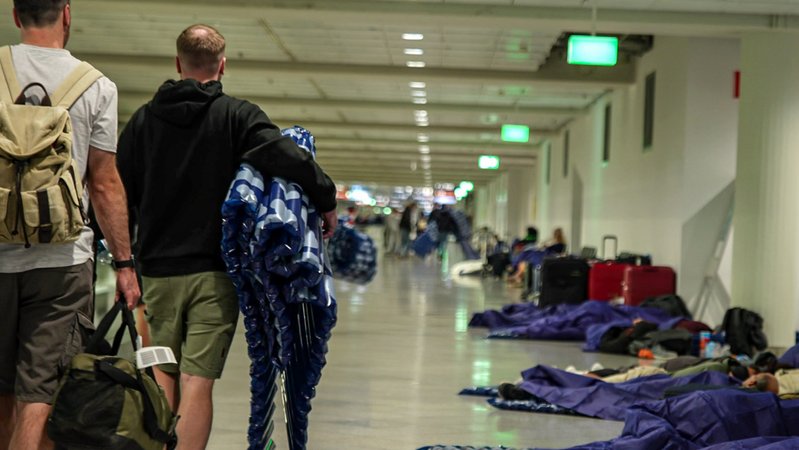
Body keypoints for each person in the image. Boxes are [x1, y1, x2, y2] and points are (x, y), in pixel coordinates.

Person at [116, 24, 338, 450]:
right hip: (214, 274)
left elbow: (118, 193)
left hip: (156, 274)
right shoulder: (237, 116)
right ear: (222, 65)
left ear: (178, 63)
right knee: (197, 381)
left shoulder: (142, 121)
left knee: (161, 374)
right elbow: (287, 157)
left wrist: (124, 263)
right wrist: (325, 198)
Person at [0, 1, 141, 449]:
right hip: (62, 263)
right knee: (41, 391)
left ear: (16, 16)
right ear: (66, 14)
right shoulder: (97, 86)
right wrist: (124, 263)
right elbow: (103, 183)